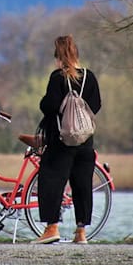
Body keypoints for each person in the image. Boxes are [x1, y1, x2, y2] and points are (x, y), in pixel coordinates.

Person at [19, 35, 101, 244]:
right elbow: (97, 105)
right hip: (84, 142)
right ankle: (81, 232)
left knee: (51, 181)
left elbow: (49, 106)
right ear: (77, 55)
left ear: (58, 57)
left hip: (61, 142)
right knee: (82, 185)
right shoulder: (89, 77)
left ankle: (52, 228)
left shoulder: (58, 78)